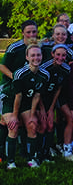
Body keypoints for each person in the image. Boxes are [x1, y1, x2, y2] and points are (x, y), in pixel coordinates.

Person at [2, 43, 49, 169]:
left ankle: (31, 158)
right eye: (32, 55)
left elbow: (37, 96)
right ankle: (10, 162)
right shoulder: (20, 73)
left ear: (42, 56)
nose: (36, 58)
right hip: (10, 101)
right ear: (27, 57)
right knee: (14, 126)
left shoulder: (44, 75)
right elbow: (18, 96)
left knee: (32, 124)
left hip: (26, 102)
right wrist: (14, 116)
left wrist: (33, 114)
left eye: (38, 55)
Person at [0, 20, 38, 160]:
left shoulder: (36, 48)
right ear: (23, 33)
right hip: (9, 88)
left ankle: (24, 151)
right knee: (6, 121)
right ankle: (2, 152)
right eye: (28, 32)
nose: (31, 34)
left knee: (25, 121)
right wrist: (16, 78)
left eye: (34, 31)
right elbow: (2, 66)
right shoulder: (14, 48)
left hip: (26, 91)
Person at [38, 44, 71, 163]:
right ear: (52, 54)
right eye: (58, 55)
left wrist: (51, 108)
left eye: (63, 55)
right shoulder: (44, 68)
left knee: (50, 125)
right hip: (39, 100)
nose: (61, 57)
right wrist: (42, 109)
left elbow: (58, 89)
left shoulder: (66, 69)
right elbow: (38, 92)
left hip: (51, 100)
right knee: (43, 125)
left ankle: (47, 151)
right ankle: (38, 152)